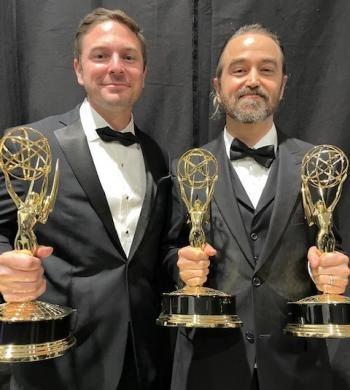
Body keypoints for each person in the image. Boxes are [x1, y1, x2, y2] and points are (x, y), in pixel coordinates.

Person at [162, 24, 350, 390]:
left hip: (299, 368)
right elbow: (167, 253)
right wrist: (180, 265)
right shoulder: (187, 167)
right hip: (207, 369)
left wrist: (332, 273)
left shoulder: (318, 166)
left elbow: (332, 248)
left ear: (282, 84)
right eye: (239, 69)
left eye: (266, 70)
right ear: (218, 86)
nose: (252, 80)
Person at [0, 8, 171, 390]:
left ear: (143, 73)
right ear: (79, 70)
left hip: (144, 362)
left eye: (128, 57)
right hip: (58, 359)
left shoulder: (159, 157)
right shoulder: (32, 146)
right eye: (101, 55)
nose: (116, 67)